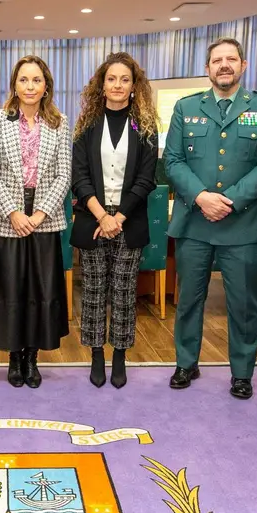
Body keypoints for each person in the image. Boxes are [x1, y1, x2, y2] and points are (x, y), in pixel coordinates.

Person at [162, 37, 257, 399]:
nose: (224, 65)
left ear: (243, 66)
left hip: (242, 224)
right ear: (208, 68)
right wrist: (201, 197)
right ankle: (186, 363)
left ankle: (242, 372)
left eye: (231, 59)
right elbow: (173, 160)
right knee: (188, 300)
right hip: (194, 223)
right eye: (217, 60)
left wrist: (227, 200)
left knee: (244, 303)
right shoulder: (186, 108)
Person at [0, 55, 72, 388]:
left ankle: (32, 358)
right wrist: (14, 213)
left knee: (40, 290)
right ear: (14, 85)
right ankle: (13, 358)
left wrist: (39, 213)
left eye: (36, 80)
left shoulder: (60, 122)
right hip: (7, 218)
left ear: (46, 85)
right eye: (23, 80)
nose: (30, 86)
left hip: (44, 218)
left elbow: (64, 173)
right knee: (10, 290)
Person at [71, 52, 158, 388]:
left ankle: (119, 356)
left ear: (134, 85)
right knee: (93, 290)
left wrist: (117, 217)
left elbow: (146, 179)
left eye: (125, 79)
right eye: (111, 79)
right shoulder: (87, 124)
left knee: (123, 291)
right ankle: (95, 355)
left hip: (128, 220)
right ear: (102, 85)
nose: (118, 85)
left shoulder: (147, 126)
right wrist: (101, 215)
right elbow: (79, 175)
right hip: (92, 218)